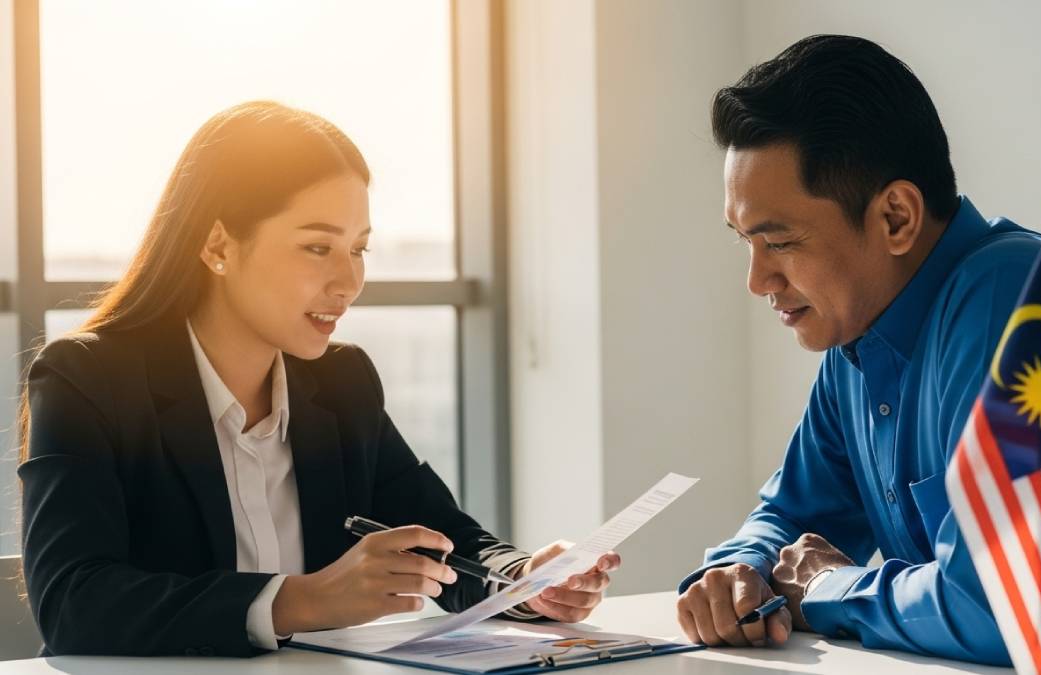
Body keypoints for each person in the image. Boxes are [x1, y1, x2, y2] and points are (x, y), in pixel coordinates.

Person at [18, 101, 619, 657]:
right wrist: (304, 600)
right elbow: (72, 601)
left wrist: (523, 580)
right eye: (316, 248)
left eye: (358, 249)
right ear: (218, 244)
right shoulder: (87, 378)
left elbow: (442, 540)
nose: (348, 282)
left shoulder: (341, 382)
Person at [676, 35, 1041, 671]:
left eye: (780, 242)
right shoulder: (859, 337)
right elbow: (791, 517)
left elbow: (1007, 608)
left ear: (896, 217)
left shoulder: (1018, 304)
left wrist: (826, 588)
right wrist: (740, 571)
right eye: (746, 243)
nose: (757, 281)